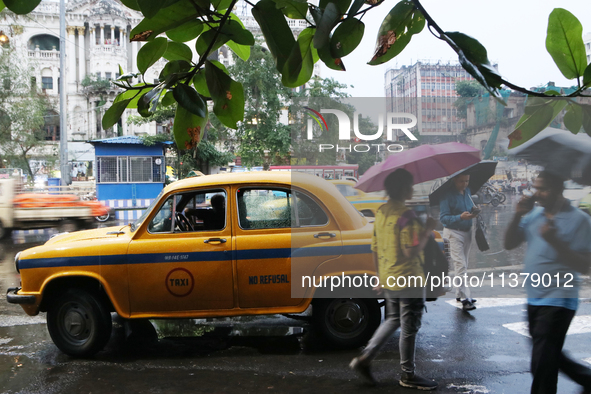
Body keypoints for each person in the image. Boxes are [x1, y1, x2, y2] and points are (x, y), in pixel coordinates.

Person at [349, 169, 438, 391]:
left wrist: (379, 276)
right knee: (409, 327)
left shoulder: (382, 212)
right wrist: (427, 231)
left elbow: (375, 248)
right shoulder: (406, 215)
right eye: (410, 185)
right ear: (403, 188)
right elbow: (410, 251)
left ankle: (364, 358)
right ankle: (408, 375)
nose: (412, 189)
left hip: (389, 277)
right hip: (409, 280)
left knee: (393, 319)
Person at [504, 171, 591, 394]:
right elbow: (510, 243)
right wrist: (517, 215)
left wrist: (555, 241)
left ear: (559, 189)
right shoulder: (535, 215)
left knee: (542, 363)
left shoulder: (580, 220)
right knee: (548, 353)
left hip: (559, 299)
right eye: (535, 188)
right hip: (534, 297)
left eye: (543, 188)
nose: (537, 194)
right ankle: (587, 378)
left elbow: (584, 265)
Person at [439, 173, 478, 311]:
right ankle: (466, 298)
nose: (464, 184)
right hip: (453, 232)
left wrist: (474, 211)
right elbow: (443, 218)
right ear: (454, 180)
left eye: (467, 181)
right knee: (460, 264)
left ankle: (458, 293)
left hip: (467, 231)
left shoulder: (467, 191)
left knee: (463, 264)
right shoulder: (447, 195)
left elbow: (470, 206)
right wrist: (459, 217)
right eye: (461, 181)